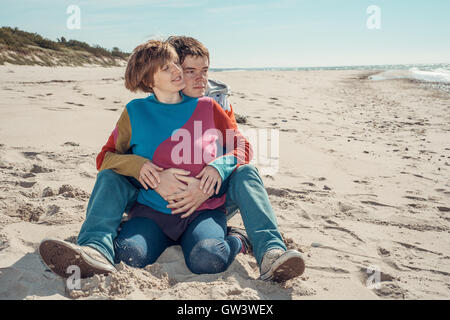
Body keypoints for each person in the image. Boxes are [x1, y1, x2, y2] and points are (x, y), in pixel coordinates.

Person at [39, 36, 305, 282]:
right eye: (172, 68)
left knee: (209, 258)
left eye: (178, 66)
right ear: (149, 79)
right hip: (151, 210)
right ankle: (95, 248)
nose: (179, 72)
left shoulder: (210, 107)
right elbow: (106, 158)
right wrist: (141, 166)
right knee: (129, 255)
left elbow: (241, 146)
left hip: (202, 209)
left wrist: (216, 168)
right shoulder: (135, 111)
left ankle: (260, 247)